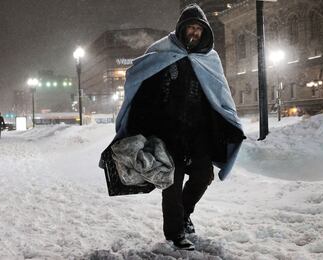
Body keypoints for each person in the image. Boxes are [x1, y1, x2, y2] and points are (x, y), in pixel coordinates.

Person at [101, 4, 245, 250]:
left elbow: (219, 96)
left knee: (203, 176)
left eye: (199, 29)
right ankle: (175, 232)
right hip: (166, 134)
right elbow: (142, 85)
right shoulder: (162, 52)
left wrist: (228, 126)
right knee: (171, 182)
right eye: (190, 27)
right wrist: (139, 129)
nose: (194, 32)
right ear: (181, 29)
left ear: (204, 32)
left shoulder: (209, 59)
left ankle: (184, 214)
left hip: (198, 133)